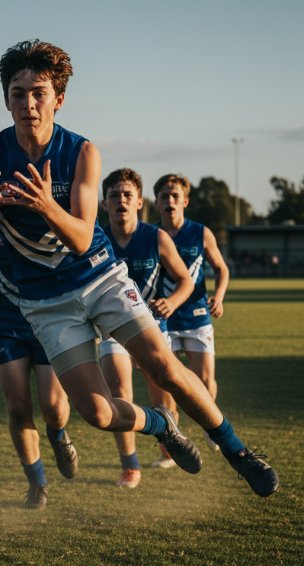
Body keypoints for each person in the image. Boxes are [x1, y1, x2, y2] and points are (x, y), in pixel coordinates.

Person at [0, 39, 277, 497]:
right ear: (5, 98)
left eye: (38, 92)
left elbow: (78, 237)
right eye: (18, 93)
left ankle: (237, 451)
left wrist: (46, 205)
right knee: (97, 413)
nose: (28, 104)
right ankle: (160, 424)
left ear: (59, 99)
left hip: (98, 279)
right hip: (44, 303)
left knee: (164, 367)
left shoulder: (81, 151)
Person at [0, 215, 79, 511]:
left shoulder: (50, 217)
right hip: (8, 323)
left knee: (54, 408)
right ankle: (37, 483)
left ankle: (58, 434)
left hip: (52, 320)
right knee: (18, 407)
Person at [98, 168, 195, 488]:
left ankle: (169, 444)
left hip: (153, 327)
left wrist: (173, 302)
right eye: (114, 195)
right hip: (112, 331)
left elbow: (185, 280)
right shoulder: (94, 238)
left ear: (140, 202)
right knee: (119, 393)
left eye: (128, 195)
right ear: (104, 203)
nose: (121, 201)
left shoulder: (156, 237)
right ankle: (130, 465)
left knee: (164, 403)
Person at [150, 173, 233, 467]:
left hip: (197, 315)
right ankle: (175, 446)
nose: (170, 201)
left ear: (185, 201)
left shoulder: (200, 233)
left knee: (205, 379)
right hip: (163, 319)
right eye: (164, 197)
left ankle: (212, 425)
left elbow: (221, 269)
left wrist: (219, 297)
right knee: (169, 383)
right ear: (156, 203)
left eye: (175, 196)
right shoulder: (150, 235)